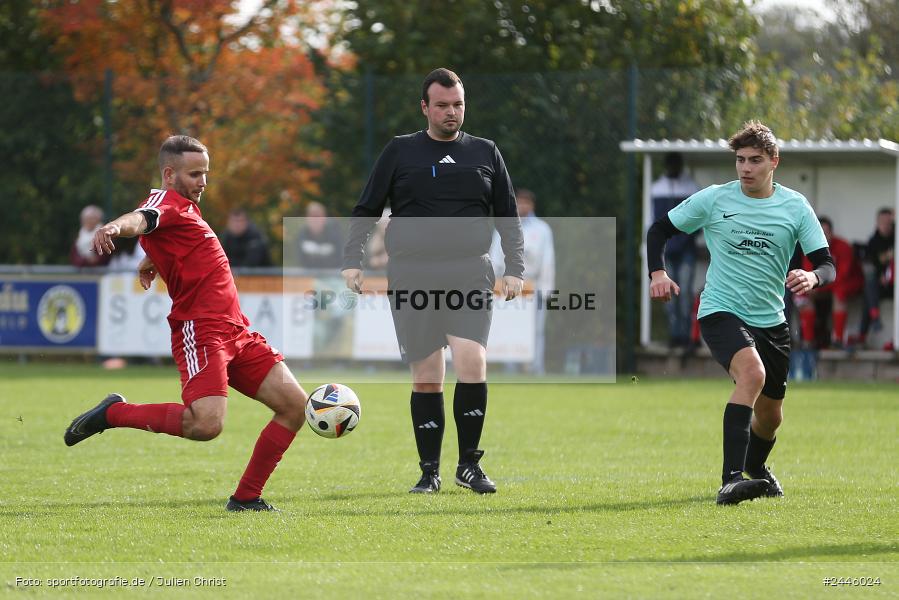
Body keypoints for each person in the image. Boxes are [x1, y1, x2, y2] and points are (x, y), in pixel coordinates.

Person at [63, 135, 308, 512]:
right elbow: (141, 220)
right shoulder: (164, 202)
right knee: (205, 425)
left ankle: (246, 498)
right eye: (194, 174)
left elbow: (175, 243)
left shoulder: (186, 210)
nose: (203, 182)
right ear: (169, 174)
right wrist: (113, 227)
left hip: (237, 331)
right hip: (203, 331)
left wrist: (155, 260)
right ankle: (114, 413)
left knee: (294, 406)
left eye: (205, 173)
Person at [342, 67, 524, 495]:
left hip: (469, 272)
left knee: (472, 362)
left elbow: (508, 215)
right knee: (427, 375)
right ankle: (429, 472)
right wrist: (352, 260)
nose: (451, 112)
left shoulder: (485, 152)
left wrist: (515, 267)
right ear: (425, 107)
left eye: (457, 104)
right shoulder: (400, 151)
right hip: (412, 274)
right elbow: (367, 207)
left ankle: (469, 465)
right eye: (442, 105)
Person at [646, 120, 835, 505]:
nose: (746, 168)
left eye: (755, 160)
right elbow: (658, 231)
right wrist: (658, 273)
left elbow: (827, 264)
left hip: (772, 322)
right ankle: (730, 480)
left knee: (771, 417)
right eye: (740, 160)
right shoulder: (715, 199)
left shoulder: (795, 206)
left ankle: (755, 467)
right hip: (721, 310)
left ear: (774, 162)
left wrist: (812, 277)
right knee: (752, 374)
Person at [489, 188, 555, 374]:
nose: (523, 206)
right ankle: (510, 368)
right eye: (519, 202)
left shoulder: (542, 229)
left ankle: (536, 368)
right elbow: (495, 258)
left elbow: (548, 261)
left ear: (532, 205)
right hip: (509, 284)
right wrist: (495, 285)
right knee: (510, 327)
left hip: (533, 285)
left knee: (536, 330)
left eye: (526, 202)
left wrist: (547, 289)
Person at [651, 153, 700, 347]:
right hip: (666, 250)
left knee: (685, 292)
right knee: (669, 295)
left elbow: (698, 221)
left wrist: (686, 239)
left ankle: (687, 335)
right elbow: (653, 223)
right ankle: (675, 334)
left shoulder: (691, 188)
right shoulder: (657, 189)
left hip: (686, 249)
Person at [794, 217, 863, 348]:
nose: (823, 236)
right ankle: (808, 341)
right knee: (804, 293)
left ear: (832, 233)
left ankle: (838, 340)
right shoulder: (810, 248)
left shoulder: (843, 246)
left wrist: (817, 285)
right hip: (825, 285)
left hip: (849, 283)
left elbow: (842, 276)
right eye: (820, 232)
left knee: (839, 293)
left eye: (826, 232)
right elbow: (809, 273)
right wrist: (812, 286)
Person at [856, 208, 894, 345]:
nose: (886, 225)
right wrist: (880, 276)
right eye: (883, 222)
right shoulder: (873, 242)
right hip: (880, 285)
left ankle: (864, 332)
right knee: (869, 286)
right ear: (877, 223)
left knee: (869, 294)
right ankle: (873, 319)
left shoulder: (896, 238)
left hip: (895, 284)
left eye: (889, 222)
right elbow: (871, 264)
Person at [296, 201, 343, 269]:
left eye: (318, 216)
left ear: (324, 217)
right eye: (312, 216)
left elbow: (339, 257)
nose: (315, 219)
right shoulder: (302, 234)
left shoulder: (334, 232)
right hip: (308, 273)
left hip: (332, 272)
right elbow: (300, 260)